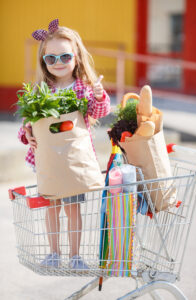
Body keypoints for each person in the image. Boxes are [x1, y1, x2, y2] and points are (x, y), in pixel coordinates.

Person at [18, 19, 110, 270]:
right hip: (47, 159)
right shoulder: (39, 91)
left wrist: (100, 95)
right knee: (51, 207)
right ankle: (54, 253)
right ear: (43, 61)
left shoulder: (84, 88)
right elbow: (27, 125)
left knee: (72, 208)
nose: (58, 63)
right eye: (51, 58)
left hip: (73, 159)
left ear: (77, 58)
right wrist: (27, 134)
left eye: (65, 57)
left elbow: (98, 112)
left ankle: (75, 255)